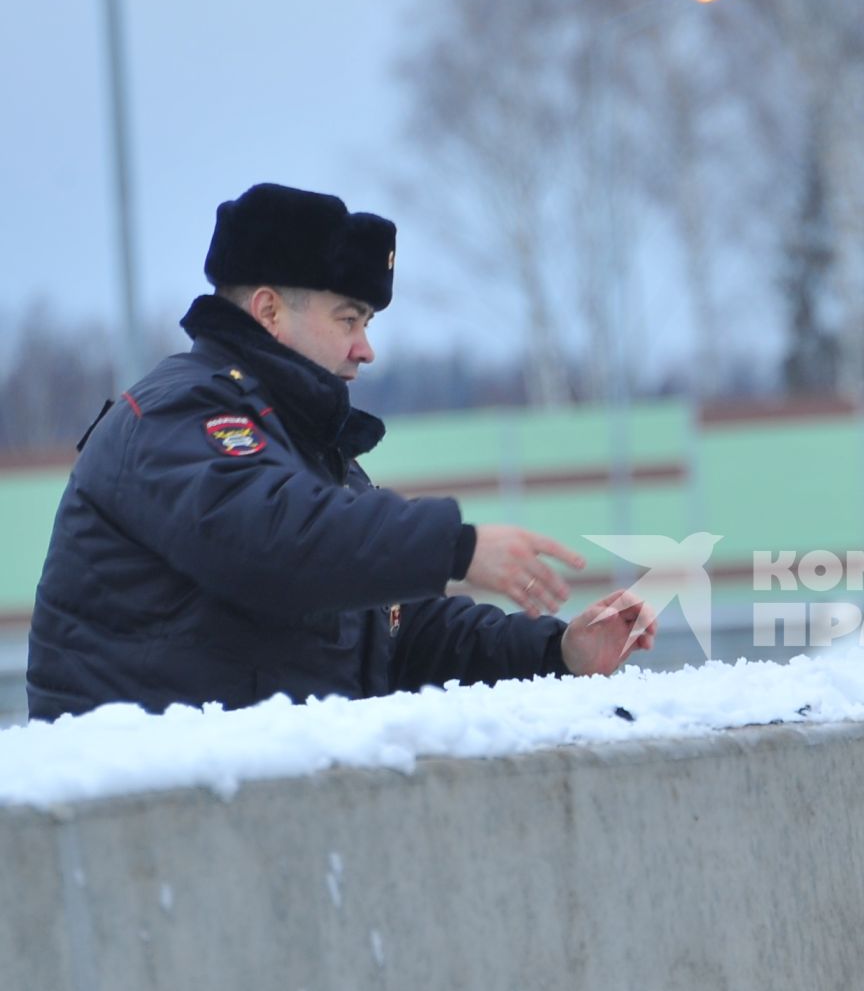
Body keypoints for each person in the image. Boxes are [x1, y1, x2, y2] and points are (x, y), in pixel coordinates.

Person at [27, 182, 655, 720]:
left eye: (368, 325)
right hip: (149, 819)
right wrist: (454, 546)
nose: (365, 348)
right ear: (270, 311)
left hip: (257, 807)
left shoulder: (304, 447)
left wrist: (558, 652)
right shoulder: (179, 414)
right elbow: (271, 543)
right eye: (348, 319)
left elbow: (400, 635)